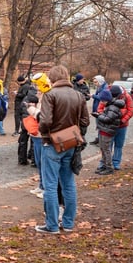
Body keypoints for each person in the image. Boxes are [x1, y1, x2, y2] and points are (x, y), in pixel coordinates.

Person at [36, 64, 90, 234]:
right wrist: (74, 133)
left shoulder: (50, 95)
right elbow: (85, 121)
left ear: (51, 78)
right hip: (71, 142)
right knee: (68, 184)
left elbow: (45, 121)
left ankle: (52, 225)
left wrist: (46, 134)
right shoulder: (78, 95)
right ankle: (68, 223)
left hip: (52, 144)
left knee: (50, 185)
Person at [94, 89, 123, 175]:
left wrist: (99, 116)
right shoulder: (109, 106)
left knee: (106, 149)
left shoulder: (113, 107)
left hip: (108, 131)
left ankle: (109, 167)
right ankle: (104, 165)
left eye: (103, 101)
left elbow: (108, 119)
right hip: (104, 130)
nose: (102, 102)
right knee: (103, 148)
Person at [88, 75, 108, 145]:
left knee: (101, 126)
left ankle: (101, 141)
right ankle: (99, 139)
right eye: (94, 82)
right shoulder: (100, 87)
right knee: (98, 125)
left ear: (100, 81)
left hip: (101, 110)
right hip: (97, 109)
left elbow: (101, 97)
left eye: (96, 82)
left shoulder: (105, 88)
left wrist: (93, 96)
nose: (94, 84)